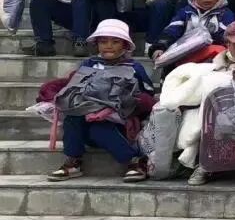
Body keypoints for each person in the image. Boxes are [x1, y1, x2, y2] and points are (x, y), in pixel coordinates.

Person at [46, 19, 155, 183]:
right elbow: (73, 85)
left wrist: (130, 101)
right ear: (97, 44)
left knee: (98, 128)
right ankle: (73, 161)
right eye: (103, 42)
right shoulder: (89, 64)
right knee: (72, 118)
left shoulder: (133, 67)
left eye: (115, 42)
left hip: (116, 123)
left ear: (125, 45)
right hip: (84, 116)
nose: (108, 46)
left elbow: (147, 94)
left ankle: (134, 161)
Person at [188, 20, 235, 186]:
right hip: (212, 113)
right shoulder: (212, 64)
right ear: (227, 43)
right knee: (203, 124)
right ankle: (205, 165)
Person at [151, 0, 235, 62]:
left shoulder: (226, 15)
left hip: (212, 60)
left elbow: (227, 38)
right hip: (184, 56)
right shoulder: (185, 12)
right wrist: (160, 47)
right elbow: (172, 31)